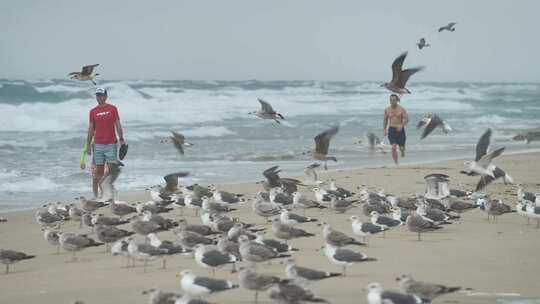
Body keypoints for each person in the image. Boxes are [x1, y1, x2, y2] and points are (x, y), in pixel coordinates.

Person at [86, 87, 125, 198]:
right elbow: (91, 129)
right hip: (97, 145)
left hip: (111, 144)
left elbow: (117, 124)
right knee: (99, 171)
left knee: (112, 169)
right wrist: (88, 145)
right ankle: (98, 196)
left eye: (101, 95)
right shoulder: (93, 111)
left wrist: (121, 138)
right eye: (97, 95)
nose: (99, 97)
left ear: (106, 96)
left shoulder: (112, 109)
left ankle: (106, 187)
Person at [383, 94, 408, 164]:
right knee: (393, 147)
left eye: (394, 100)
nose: (392, 101)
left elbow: (406, 119)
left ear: (397, 100)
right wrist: (384, 129)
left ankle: (402, 151)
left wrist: (401, 125)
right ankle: (396, 163)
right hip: (391, 129)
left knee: (401, 148)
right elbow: (385, 120)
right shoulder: (387, 110)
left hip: (400, 130)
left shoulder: (401, 109)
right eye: (391, 100)